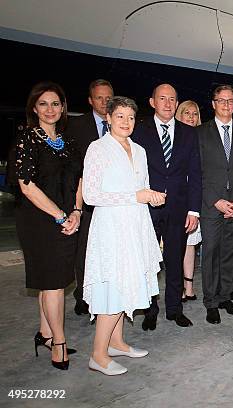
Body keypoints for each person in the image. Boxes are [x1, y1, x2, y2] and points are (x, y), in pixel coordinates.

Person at [83, 96, 165, 376]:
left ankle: (116, 343)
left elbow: (142, 187)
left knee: (127, 282)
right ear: (108, 117)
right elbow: (91, 195)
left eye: (130, 117)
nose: (126, 122)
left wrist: (151, 197)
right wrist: (136, 196)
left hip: (136, 226)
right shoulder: (98, 149)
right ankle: (98, 354)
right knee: (113, 289)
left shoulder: (139, 150)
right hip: (111, 229)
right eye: (120, 116)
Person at [13, 81, 81, 370]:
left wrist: (76, 211)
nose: (50, 109)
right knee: (52, 283)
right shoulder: (26, 139)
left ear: (63, 107)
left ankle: (45, 333)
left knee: (53, 281)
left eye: (55, 103)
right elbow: (26, 186)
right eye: (43, 104)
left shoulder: (69, 142)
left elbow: (80, 179)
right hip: (39, 222)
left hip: (68, 217)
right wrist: (59, 216)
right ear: (33, 108)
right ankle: (59, 343)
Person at [132, 84, 202, 330]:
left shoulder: (189, 133)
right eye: (162, 99)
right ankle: (150, 309)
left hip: (179, 208)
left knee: (175, 259)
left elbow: (195, 174)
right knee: (149, 261)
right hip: (147, 207)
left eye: (172, 99)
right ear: (152, 102)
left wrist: (194, 210)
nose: (168, 103)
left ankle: (175, 309)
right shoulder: (138, 132)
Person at [196, 85, 233, 324]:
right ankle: (210, 301)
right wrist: (215, 200)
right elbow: (196, 173)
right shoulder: (200, 133)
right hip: (211, 206)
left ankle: (225, 296)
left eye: (230, 101)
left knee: (229, 253)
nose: (227, 105)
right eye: (222, 101)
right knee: (210, 253)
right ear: (213, 104)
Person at [65, 78, 114, 316]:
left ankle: (106, 293)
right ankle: (83, 296)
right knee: (84, 250)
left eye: (108, 98)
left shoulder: (122, 122)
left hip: (114, 201)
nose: (104, 102)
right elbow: (72, 168)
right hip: (86, 201)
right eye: (99, 98)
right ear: (90, 100)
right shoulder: (76, 127)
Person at [175, 100, 202, 302]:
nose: (191, 117)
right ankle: (174, 288)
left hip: (193, 201)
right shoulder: (173, 136)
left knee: (190, 244)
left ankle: (189, 287)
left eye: (194, 114)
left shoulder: (201, 138)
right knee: (171, 247)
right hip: (173, 199)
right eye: (186, 113)